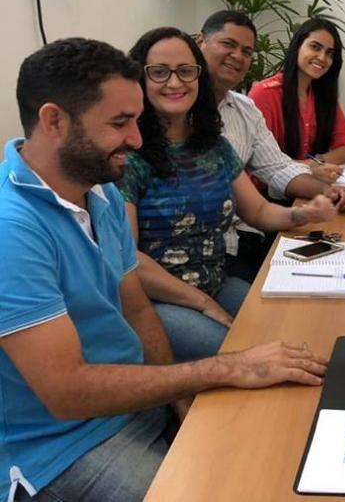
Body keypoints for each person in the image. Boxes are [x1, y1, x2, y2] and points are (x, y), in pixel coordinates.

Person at [0, 38, 328, 501]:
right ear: (54, 121)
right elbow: (67, 391)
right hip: (62, 446)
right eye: (120, 123)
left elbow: (137, 310)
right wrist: (221, 369)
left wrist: (176, 398)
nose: (136, 139)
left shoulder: (99, 192)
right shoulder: (12, 229)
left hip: (137, 404)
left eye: (136, 120)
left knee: (279, 442)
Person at [120, 27, 337, 361]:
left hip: (216, 282)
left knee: (293, 335)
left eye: (186, 71)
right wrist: (201, 302)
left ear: (199, 77)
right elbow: (128, 260)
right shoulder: (128, 156)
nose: (175, 83)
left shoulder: (214, 146)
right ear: (139, 79)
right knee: (246, 354)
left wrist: (304, 213)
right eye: (160, 72)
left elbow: (258, 211)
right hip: (159, 300)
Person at [195, 11, 345, 281]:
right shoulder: (176, 109)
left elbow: (277, 167)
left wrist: (328, 191)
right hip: (208, 247)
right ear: (200, 43)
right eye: (228, 44)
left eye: (247, 51)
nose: (238, 56)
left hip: (245, 232)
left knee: (331, 273)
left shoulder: (245, 109)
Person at [248, 18, 345, 165]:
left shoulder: (322, 94)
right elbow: (260, 161)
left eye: (330, 53)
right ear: (297, 46)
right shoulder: (264, 93)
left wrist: (315, 163)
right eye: (315, 47)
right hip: (271, 180)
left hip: (311, 178)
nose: (322, 58)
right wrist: (309, 167)